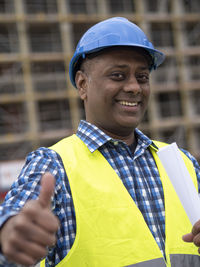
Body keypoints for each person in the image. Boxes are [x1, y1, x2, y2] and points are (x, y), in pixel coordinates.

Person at [0, 17, 200, 267]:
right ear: (83, 85)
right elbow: (15, 224)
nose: (134, 87)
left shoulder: (183, 163)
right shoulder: (54, 166)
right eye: (118, 75)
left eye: (142, 77)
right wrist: (8, 233)